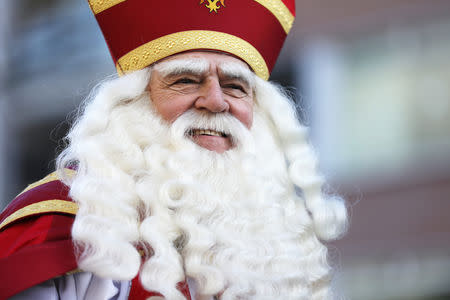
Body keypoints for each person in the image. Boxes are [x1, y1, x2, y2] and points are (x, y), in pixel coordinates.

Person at [0, 1, 348, 299]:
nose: (216, 101)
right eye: (185, 80)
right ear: (132, 100)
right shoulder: (62, 225)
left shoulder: (269, 245)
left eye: (235, 86)